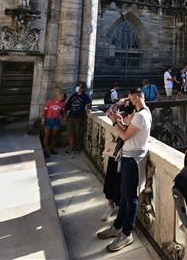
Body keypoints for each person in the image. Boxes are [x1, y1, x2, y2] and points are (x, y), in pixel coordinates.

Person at [97, 89, 152, 252]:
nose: (128, 102)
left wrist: (115, 122)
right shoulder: (142, 113)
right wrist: (120, 121)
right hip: (129, 157)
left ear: (136, 98)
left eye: (130, 99)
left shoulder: (141, 115)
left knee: (130, 197)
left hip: (133, 159)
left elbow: (125, 137)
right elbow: (129, 133)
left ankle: (127, 233)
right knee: (124, 194)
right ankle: (117, 226)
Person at [102, 97, 134, 221]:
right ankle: (110, 206)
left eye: (128, 102)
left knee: (121, 181)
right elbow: (109, 113)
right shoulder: (122, 113)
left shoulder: (137, 116)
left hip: (128, 151)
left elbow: (128, 132)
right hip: (118, 148)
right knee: (111, 175)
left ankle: (120, 208)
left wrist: (122, 123)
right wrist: (118, 103)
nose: (126, 104)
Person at [65, 82, 92, 153]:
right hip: (71, 116)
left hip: (80, 117)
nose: (79, 89)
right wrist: (65, 116)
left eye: (81, 87)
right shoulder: (73, 95)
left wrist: (88, 109)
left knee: (78, 133)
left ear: (83, 89)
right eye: (79, 87)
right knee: (70, 132)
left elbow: (89, 104)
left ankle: (77, 147)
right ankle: (71, 147)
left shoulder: (85, 96)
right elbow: (68, 105)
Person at [41, 90, 66, 156]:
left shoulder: (62, 104)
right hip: (48, 120)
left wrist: (64, 118)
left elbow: (63, 113)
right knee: (47, 135)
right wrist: (43, 119)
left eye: (63, 97)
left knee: (54, 136)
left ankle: (52, 149)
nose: (62, 98)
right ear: (57, 96)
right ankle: (45, 150)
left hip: (56, 120)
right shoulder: (49, 102)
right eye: (61, 96)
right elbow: (44, 111)